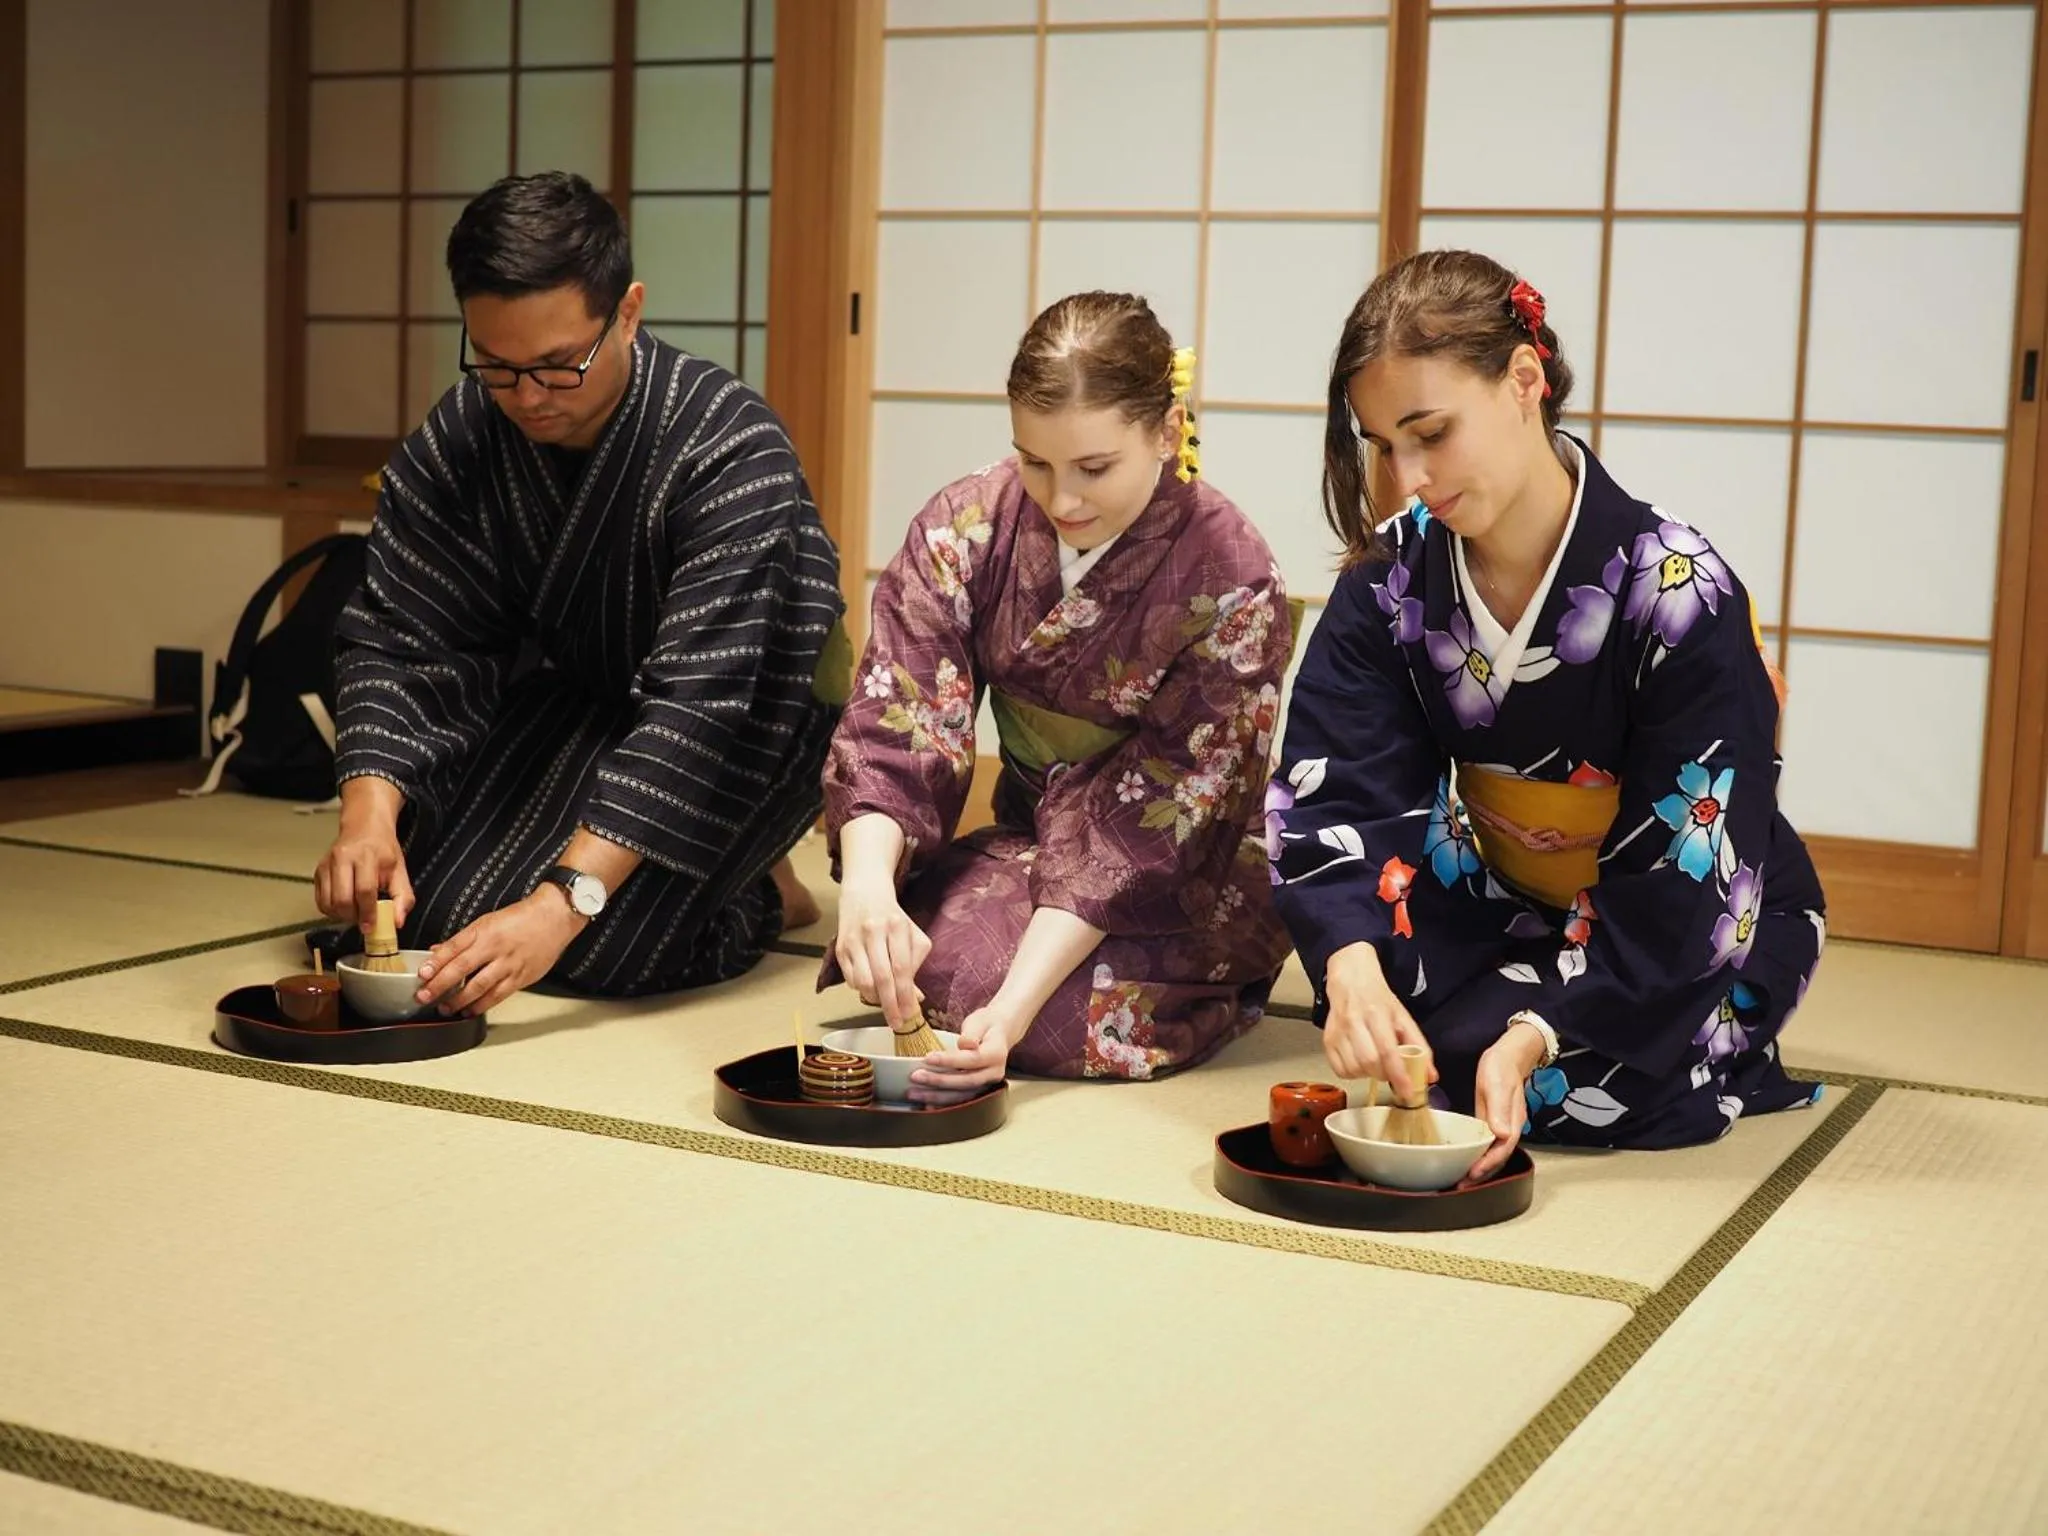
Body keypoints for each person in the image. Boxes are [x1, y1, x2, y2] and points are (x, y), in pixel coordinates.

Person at [1268, 250, 1826, 1183]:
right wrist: (1351, 971)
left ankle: (1568, 1034)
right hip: (1494, 894)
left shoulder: (1678, 592)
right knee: (1386, 999)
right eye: (1384, 445)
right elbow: (1340, 786)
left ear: (1524, 381)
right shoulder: (1389, 582)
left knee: (1595, 1076)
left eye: (1431, 433)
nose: (1408, 479)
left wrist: (1537, 1031)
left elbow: (1695, 863)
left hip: (1677, 916)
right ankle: (1483, 1027)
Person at [315, 171, 846, 1015]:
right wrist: (368, 814)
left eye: (560, 366)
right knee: (429, 919)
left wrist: (562, 906)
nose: (525, 397)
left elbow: (699, 710)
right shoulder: (463, 435)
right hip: (576, 700)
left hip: (740, 726)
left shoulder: (728, 447)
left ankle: (759, 890)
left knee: (603, 954)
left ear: (628, 312)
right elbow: (401, 635)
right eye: (495, 365)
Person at [822, 292, 1294, 1102]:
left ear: (1166, 432)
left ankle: (1216, 996)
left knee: (1017, 1007)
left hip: (1186, 865)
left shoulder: (1232, 579)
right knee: (915, 957)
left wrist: (1008, 1015)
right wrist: (865, 890)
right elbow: (899, 713)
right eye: (1034, 462)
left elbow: (1162, 821)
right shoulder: (966, 525)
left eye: (1094, 468)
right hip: (1033, 831)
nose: (1062, 499)